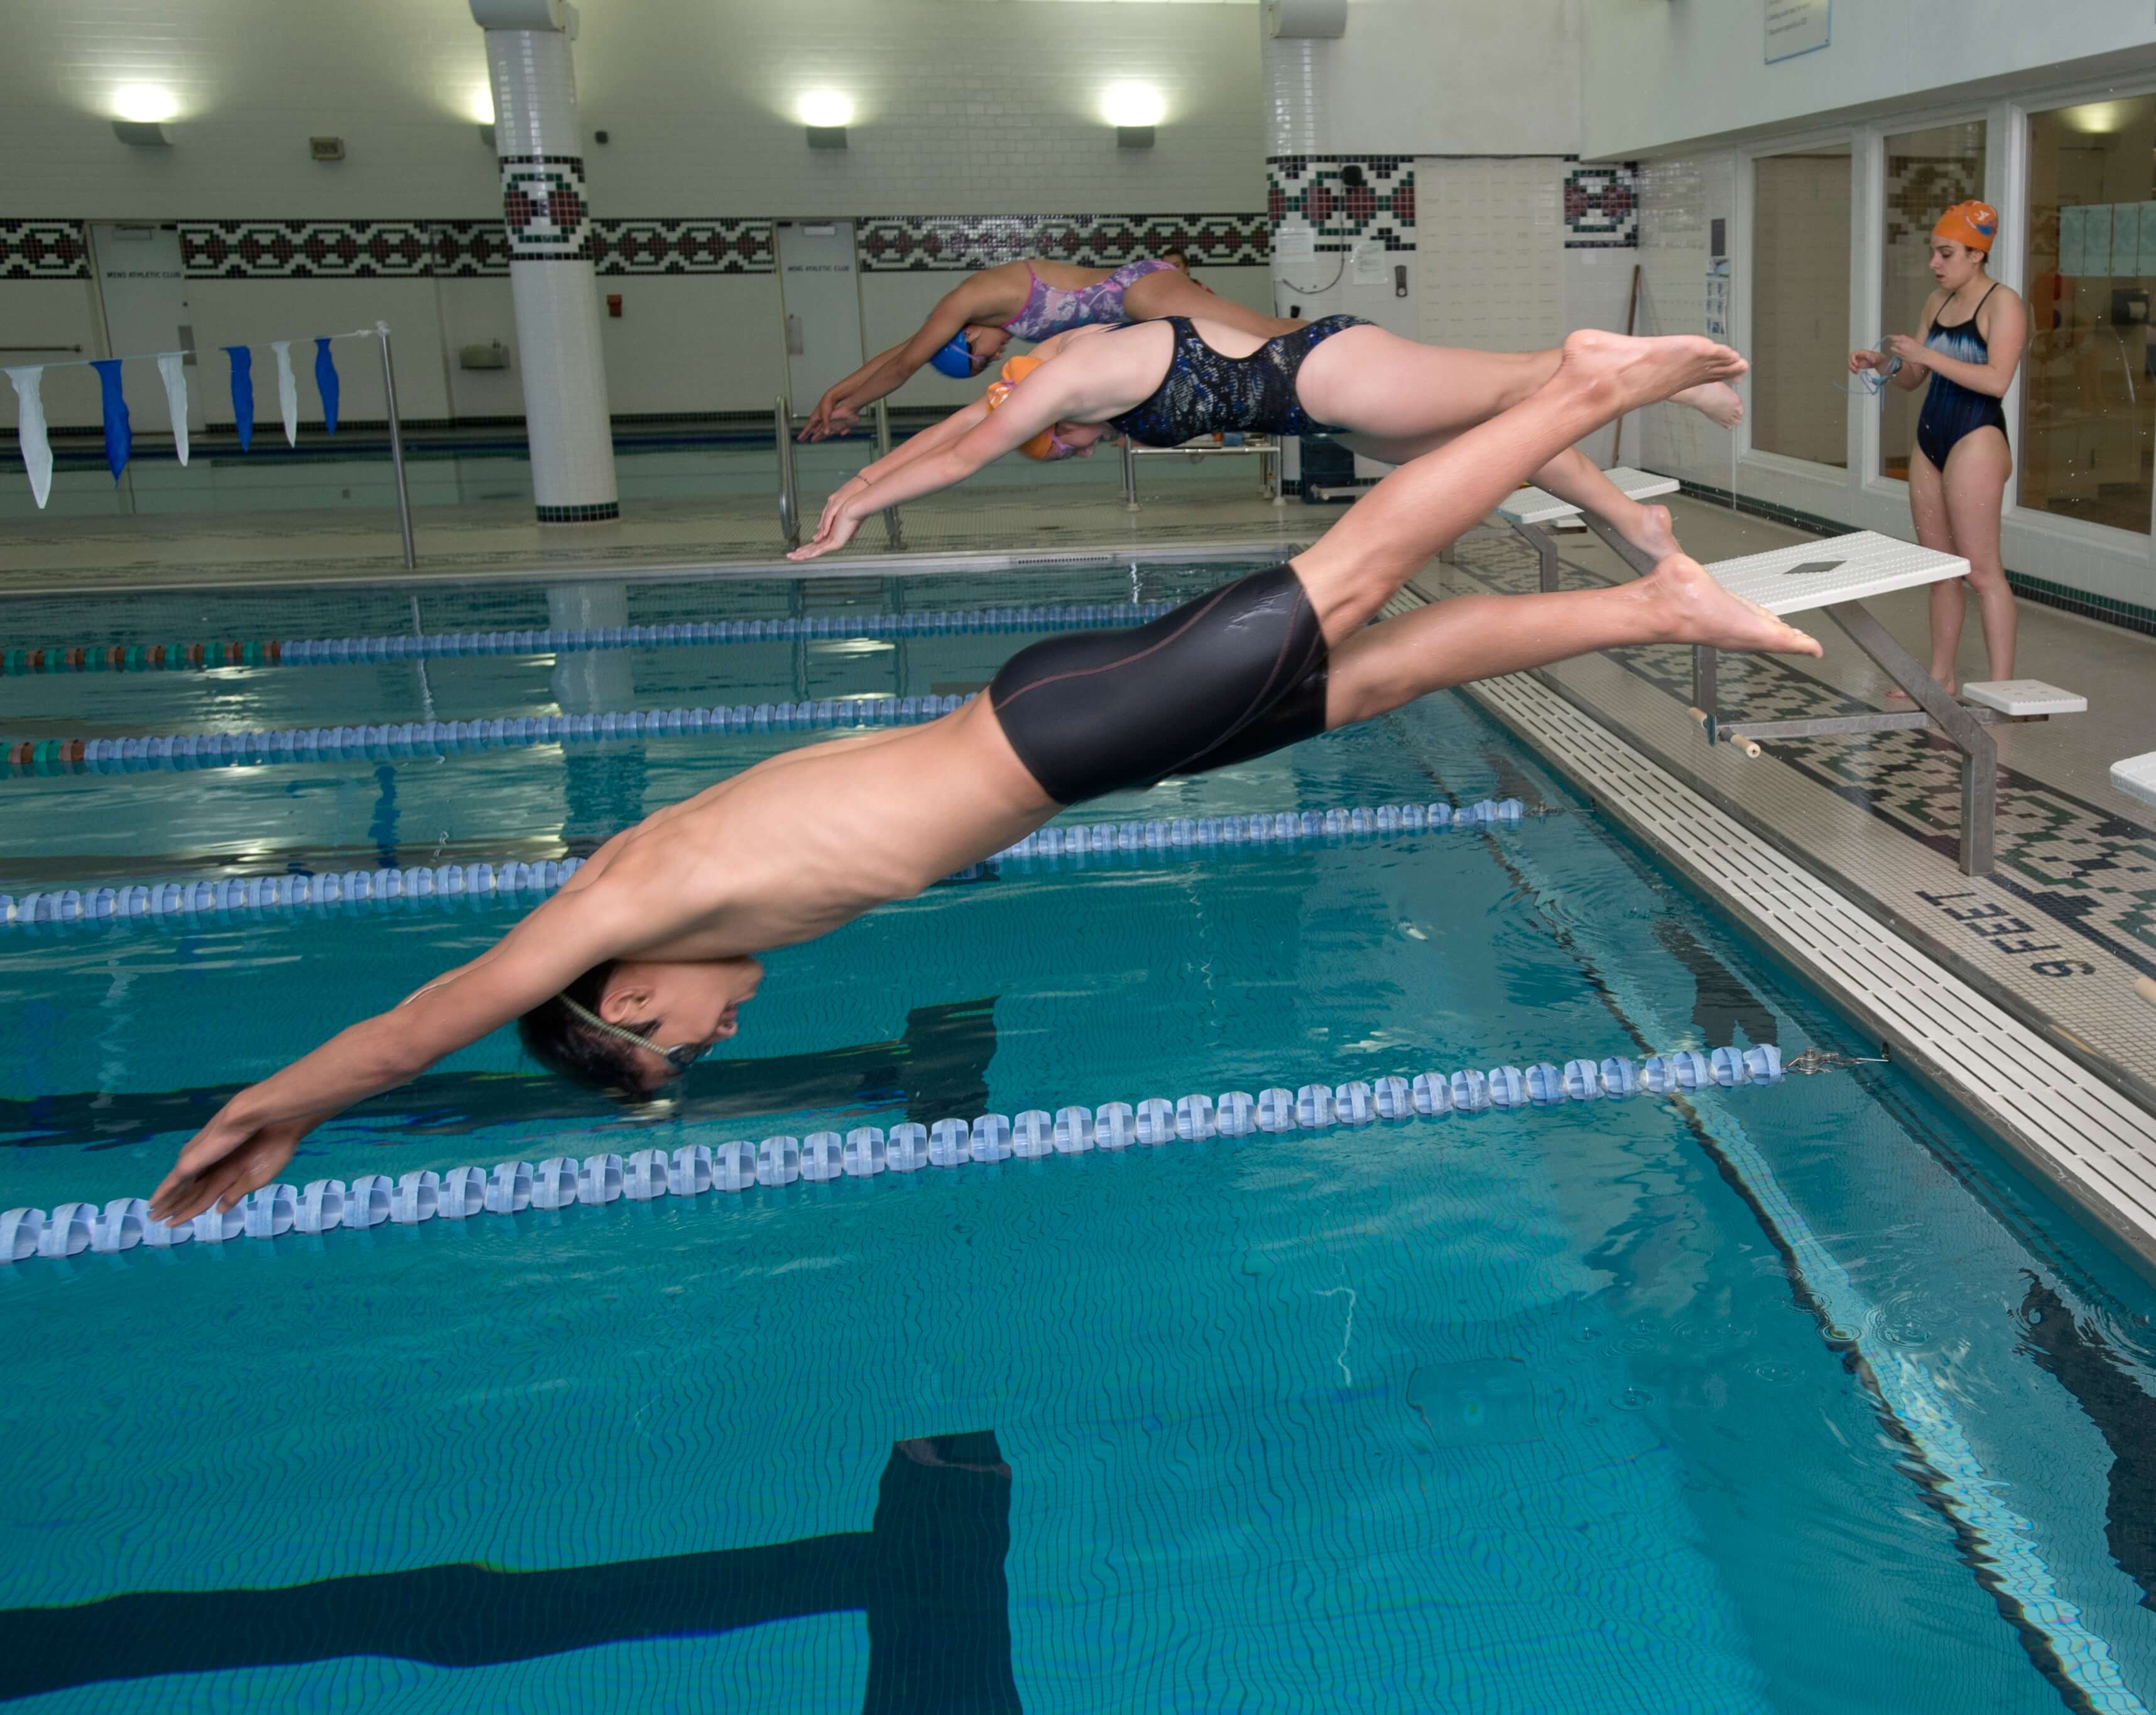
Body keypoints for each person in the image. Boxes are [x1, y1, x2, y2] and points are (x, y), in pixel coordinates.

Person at [147, 331, 1817, 1224]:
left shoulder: (628, 904)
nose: (726, 1030)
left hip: (1059, 735)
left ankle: (1580, 389)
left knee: (1358, 588)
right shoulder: (663, 884)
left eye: (682, 1038)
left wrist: (276, 1108)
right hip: (1067, 747)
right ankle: (1646, 599)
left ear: (627, 995)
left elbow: (424, 1018)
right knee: (1363, 678)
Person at [786, 313, 1746, 564]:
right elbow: (966, 421)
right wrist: (858, 479)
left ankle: (1659, 371)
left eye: (1063, 447)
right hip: (1323, 402)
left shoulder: (1074, 377)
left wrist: (861, 510)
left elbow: (966, 450)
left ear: (1054, 420)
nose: (1078, 451)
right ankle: (1638, 525)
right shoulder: (1060, 370)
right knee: (1503, 437)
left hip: (1326, 375)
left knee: (1524, 380)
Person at [797, 253, 1291, 439]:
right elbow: (902, 351)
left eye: (981, 357)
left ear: (963, 335)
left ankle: (1348, 334)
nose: (993, 358)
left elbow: (906, 365)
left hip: (1140, 291)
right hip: (1141, 297)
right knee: (1257, 340)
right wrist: (836, 394)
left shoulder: (967, 298)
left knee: (1268, 334)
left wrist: (853, 405)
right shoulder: (975, 315)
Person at [1851, 200, 2026, 699]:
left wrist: (1925, 353)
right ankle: (1942, 678)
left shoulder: (2003, 304)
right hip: (1932, 439)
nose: (1935, 263)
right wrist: (1882, 363)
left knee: (1982, 570)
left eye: (1946, 253)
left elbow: (1996, 382)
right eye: (1934, 252)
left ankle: (2002, 691)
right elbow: (1913, 379)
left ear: (1977, 254)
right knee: (1939, 566)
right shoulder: (1937, 302)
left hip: (1977, 437)